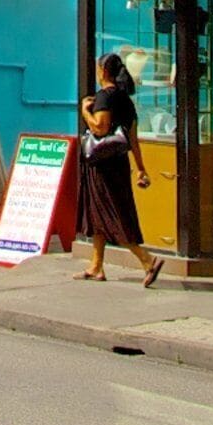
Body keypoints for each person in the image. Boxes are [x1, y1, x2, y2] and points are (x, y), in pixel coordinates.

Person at [77, 91, 164, 285]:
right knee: (99, 215)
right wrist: (141, 168)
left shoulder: (104, 98)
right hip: (119, 165)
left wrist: (84, 111)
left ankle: (147, 260)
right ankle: (96, 266)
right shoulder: (126, 101)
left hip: (102, 168)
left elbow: (99, 127)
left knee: (112, 217)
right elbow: (133, 140)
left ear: (103, 71)